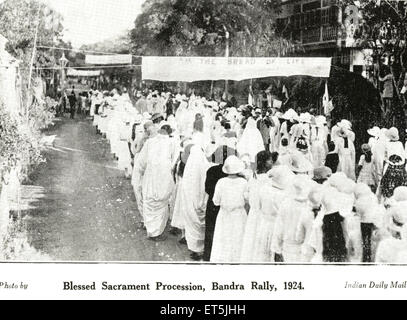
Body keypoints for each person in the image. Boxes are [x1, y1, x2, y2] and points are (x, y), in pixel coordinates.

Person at [137, 123, 178, 241]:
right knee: (161, 201)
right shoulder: (172, 143)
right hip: (164, 175)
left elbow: (141, 162)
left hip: (151, 174)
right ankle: (157, 232)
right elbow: (174, 161)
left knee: (149, 200)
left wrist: (143, 173)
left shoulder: (150, 142)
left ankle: (151, 230)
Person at [211, 156, 249, 263]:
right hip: (239, 214)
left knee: (224, 238)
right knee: (238, 238)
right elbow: (247, 199)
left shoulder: (221, 182)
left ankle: (224, 261)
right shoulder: (243, 182)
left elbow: (216, 201)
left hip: (224, 214)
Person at [203, 145, 236, 262]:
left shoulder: (211, 171)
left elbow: (207, 189)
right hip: (227, 205)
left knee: (211, 230)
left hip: (213, 204)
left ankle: (208, 255)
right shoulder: (235, 175)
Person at [240, 151, 275, 262]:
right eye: (269, 160)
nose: (271, 162)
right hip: (262, 214)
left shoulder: (253, 176)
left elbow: (246, 194)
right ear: (264, 162)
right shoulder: (268, 179)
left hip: (253, 213)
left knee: (251, 239)